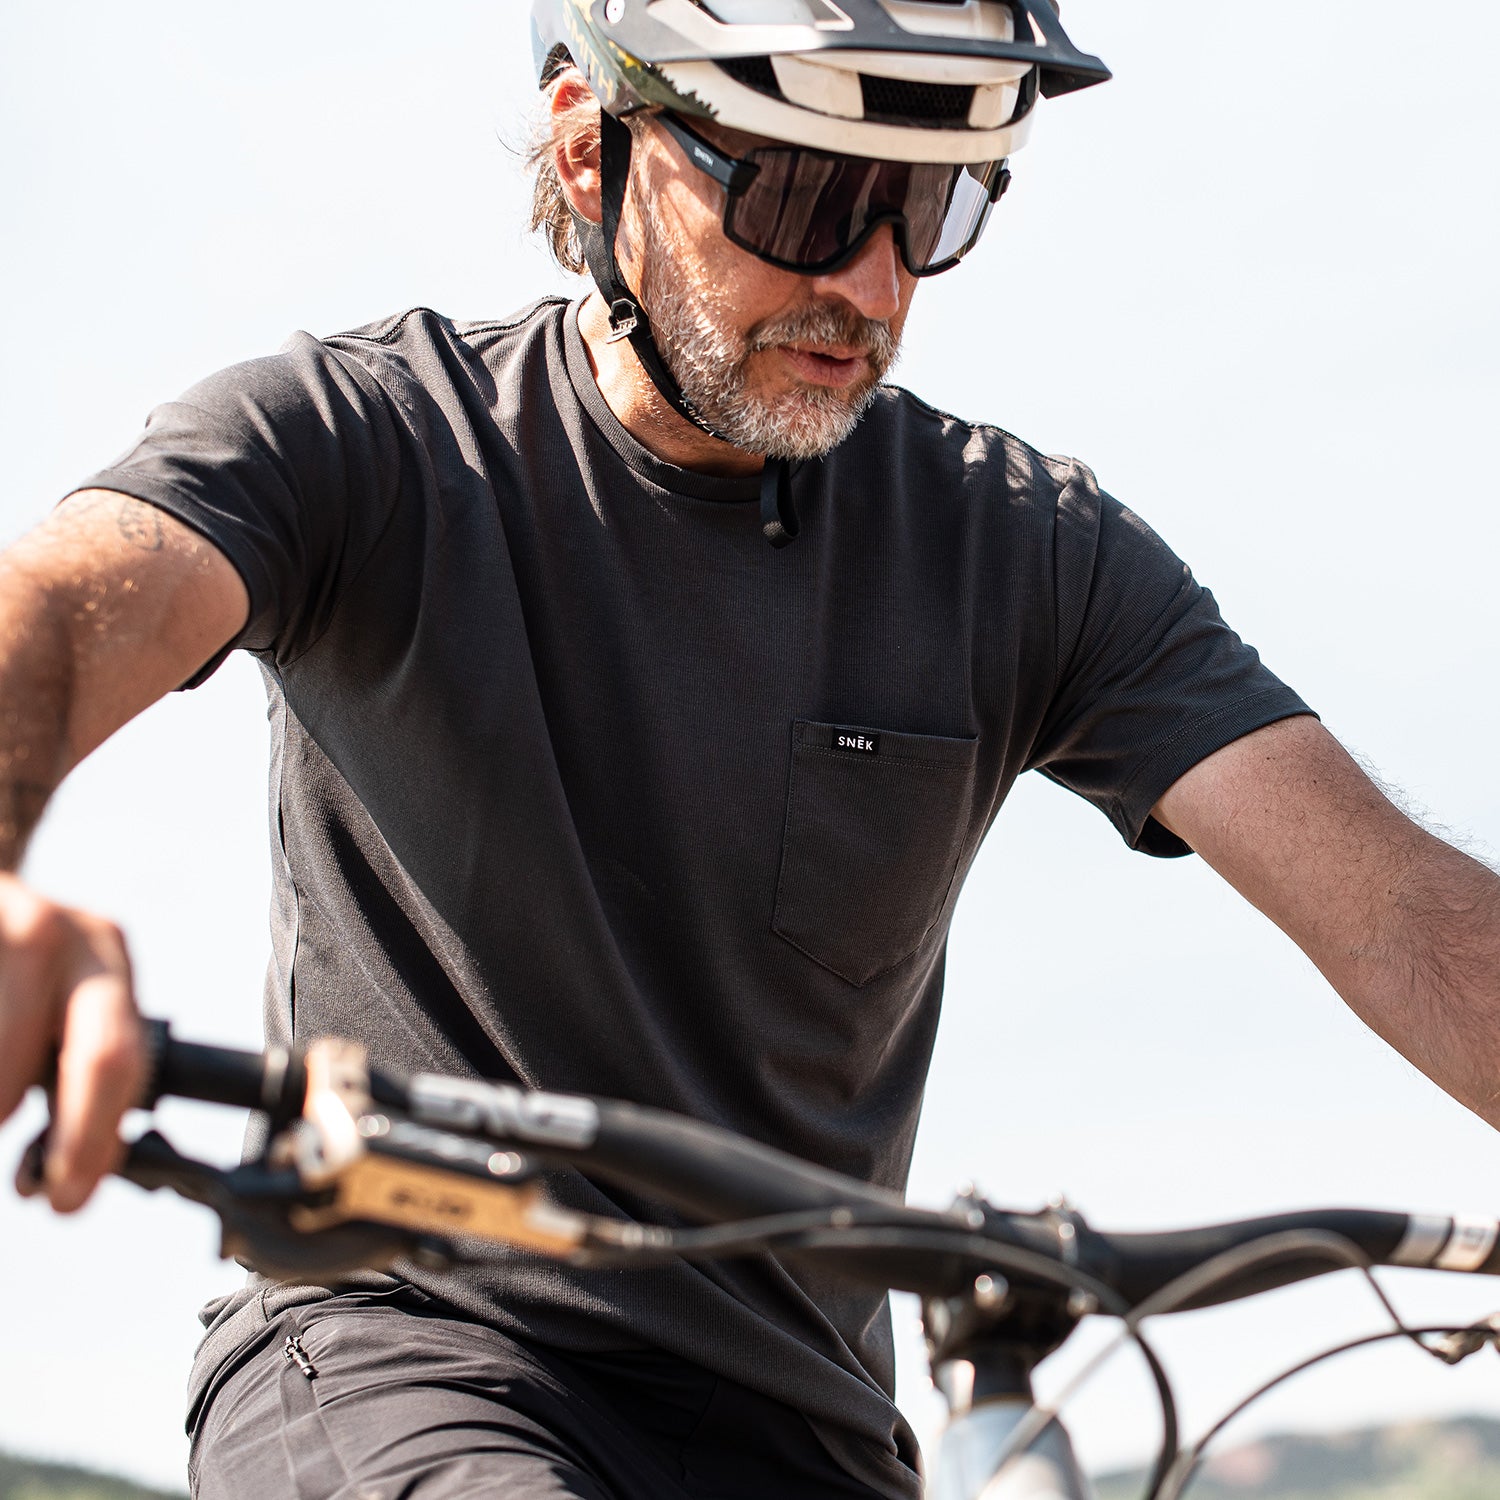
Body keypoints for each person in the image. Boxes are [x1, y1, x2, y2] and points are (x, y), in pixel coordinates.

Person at [1, 1, 1497, 1496]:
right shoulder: (370, 446)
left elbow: (1404, 914)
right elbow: (63, 619)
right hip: (419, 1354)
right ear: (593, 154)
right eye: (802, 197)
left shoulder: (1027, 554)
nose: (872, 281)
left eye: (928, 207)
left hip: (808, 1438)